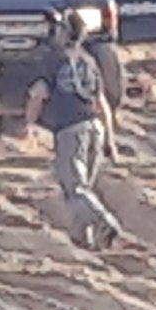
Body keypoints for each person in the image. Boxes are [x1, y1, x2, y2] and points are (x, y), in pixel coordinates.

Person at [23, 12, 122, 249]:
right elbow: (102, 102)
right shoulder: (89, 62)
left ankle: (105, 222)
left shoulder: (52, 61)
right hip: (95, 127)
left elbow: (38, 95)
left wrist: (30, 124)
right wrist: (110, 139)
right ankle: (82, 238)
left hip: (70, 129)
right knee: (84, 188)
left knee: (75, 189)